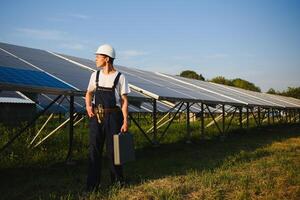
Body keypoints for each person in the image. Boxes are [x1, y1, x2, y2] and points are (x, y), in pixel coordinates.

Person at [85, 44, 130, 191]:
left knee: (114, 151)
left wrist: (125, 120)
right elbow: (89, 93)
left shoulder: (120, 77)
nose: (96, 59)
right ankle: (92, 185)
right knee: (94, 150)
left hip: (113, 117)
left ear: (107, 59)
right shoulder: (95, 75)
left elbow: (124, 101)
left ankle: (117, 182)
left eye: (98, 57)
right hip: (96, 117)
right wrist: (88, 106)